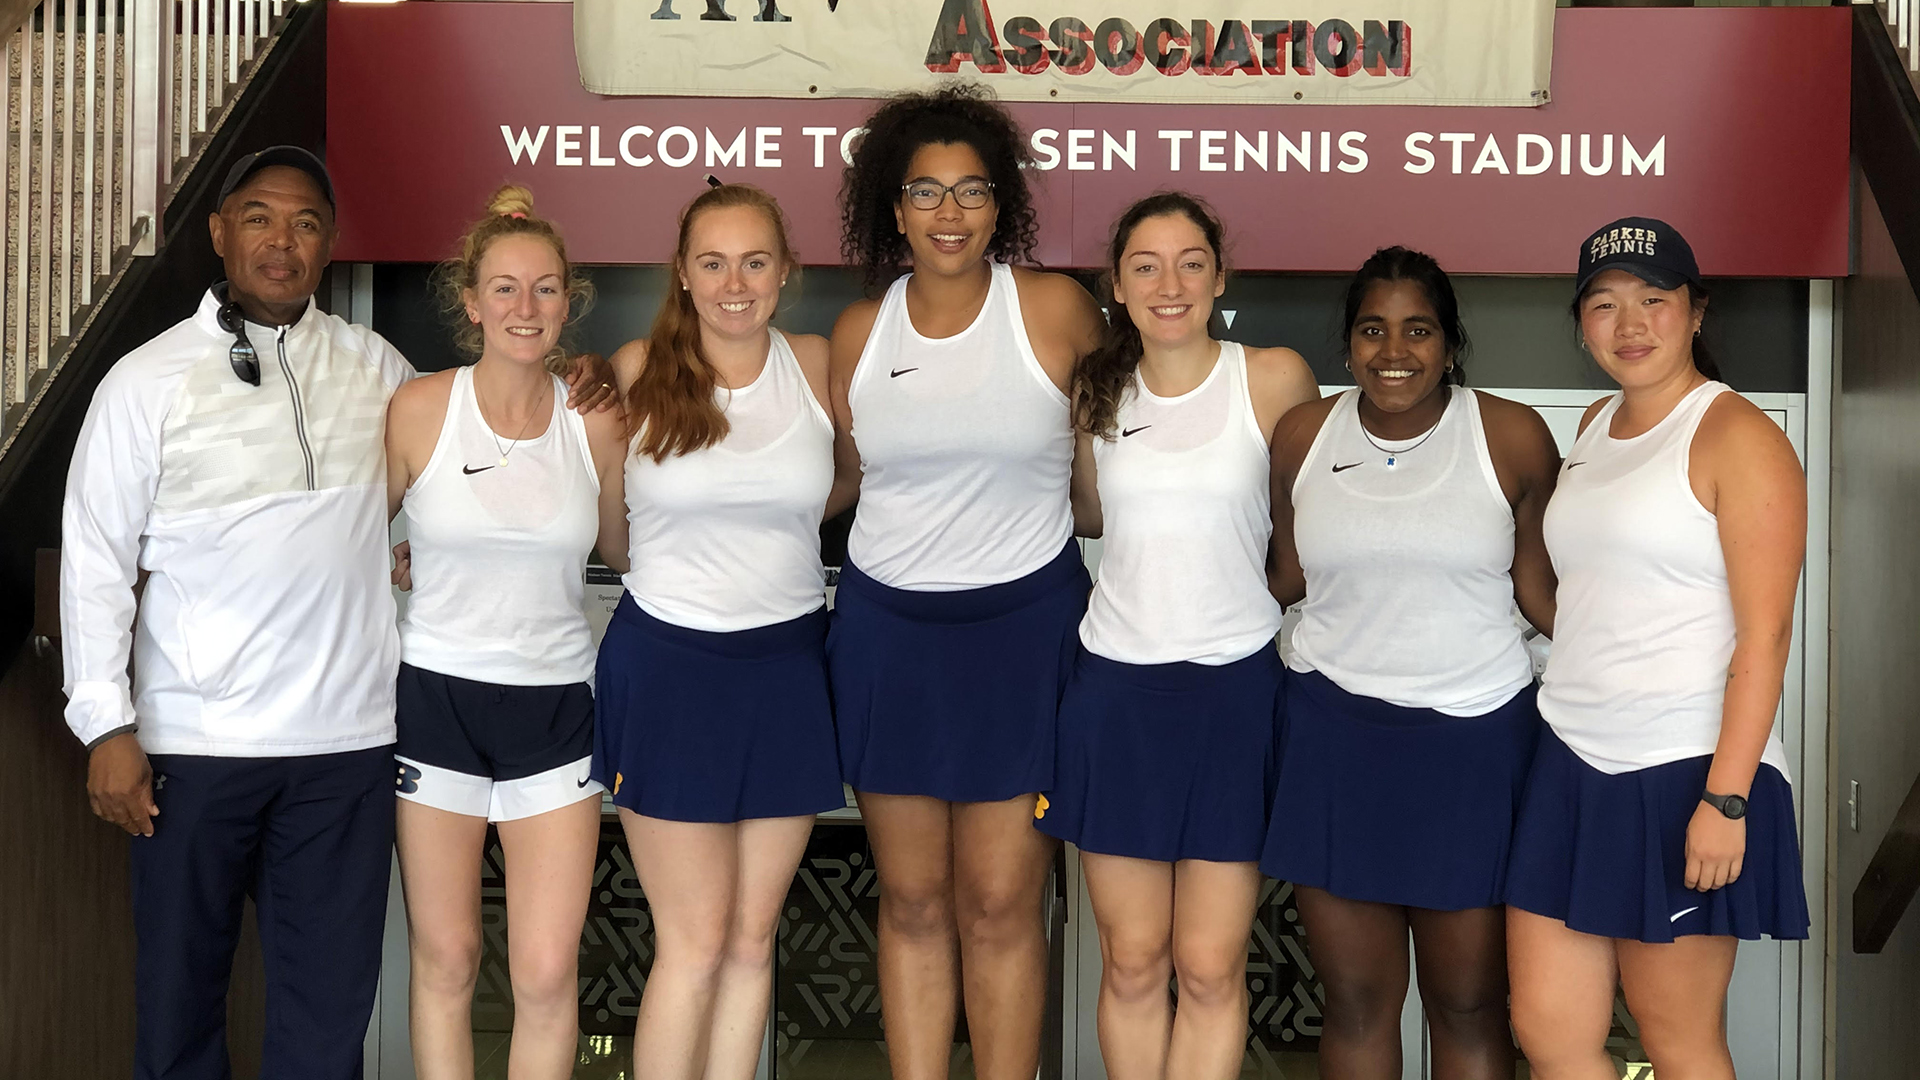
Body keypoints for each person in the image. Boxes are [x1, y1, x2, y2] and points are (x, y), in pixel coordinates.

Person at [59, 145, 612, 1080]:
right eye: (260, 217)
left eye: (306, 222)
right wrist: (105, 724)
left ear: (331, 244)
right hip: (195, 744)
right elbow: (94, 560)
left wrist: (581, 380)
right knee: (178, 1009)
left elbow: (469, 454)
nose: (283, 240)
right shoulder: (144, 382)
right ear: (218, 232)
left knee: (327, 1025)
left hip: (347, 747)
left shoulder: (377, 368)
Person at [826, 84, 1106, 1080]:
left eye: (972, 190)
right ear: (893, 209)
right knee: (911, 902)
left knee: (999, 904)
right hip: (888, 639)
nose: (950, 213)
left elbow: (1112, 476)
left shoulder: (1057, 310)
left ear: (1002, 203)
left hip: (1022, 636)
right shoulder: (859, 333)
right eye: (926, 192)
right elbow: (837, 483)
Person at [1505, 217, 1810, 1080]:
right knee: (1549, 1033)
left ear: (1696, 311)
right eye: (1604, 304)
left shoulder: (1739, 434)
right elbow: (1594, 596)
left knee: (1676, 1039)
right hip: (1570, 758)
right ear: (1581, 323)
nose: (1629, 324)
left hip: (1686, 768)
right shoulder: (1596, 423)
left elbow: (1766, 635)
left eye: (1653, 299)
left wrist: (1727, 798)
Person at [1034, 192, 1318, 1080]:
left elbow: (1309, 527)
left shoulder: (1272, 377)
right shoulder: (1096, 392)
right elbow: (1089, 514)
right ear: (1117, 285)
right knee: (1131, 961)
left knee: (1208, 967)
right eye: (1146, 266)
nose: (1170, 284)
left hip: (1235, 694)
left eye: (1191, 263)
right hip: (1117, 696)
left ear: (1219, 276)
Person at [1261, 247, 1561, 1080]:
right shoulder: (1303, 435)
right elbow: (1283, 581)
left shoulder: (1510, 436)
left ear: (1451, 343)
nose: (1394, 350)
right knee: (1356, 1003)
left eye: (1418, 330)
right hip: (1332, 740)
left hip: (1474, 747)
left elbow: (1544, 594)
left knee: (1468, 1006)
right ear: (1348, 344)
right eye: (1373, 330)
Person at [591, 183, 850, 1080]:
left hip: (787, 668)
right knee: (695, 941)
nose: (735, 283)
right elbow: (607, 531)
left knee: (750, 940)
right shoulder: (634, 371)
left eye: (754, 262)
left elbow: (849, 483)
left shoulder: (816, 363)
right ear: (682, 273)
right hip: (671, 667)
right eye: (713, 263)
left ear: (785, 271)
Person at [382, 185, 629, 1080]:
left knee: (546, 973)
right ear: (471, 302)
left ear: (569, 301)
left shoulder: (595, 418)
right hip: (436, 702)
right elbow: (341, 543)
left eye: (546, 288)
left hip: (556, 708)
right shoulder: (419, 408)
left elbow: (628, 551)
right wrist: (402, 552)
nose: (527, 307)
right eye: (505, 288)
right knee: (447, 960)